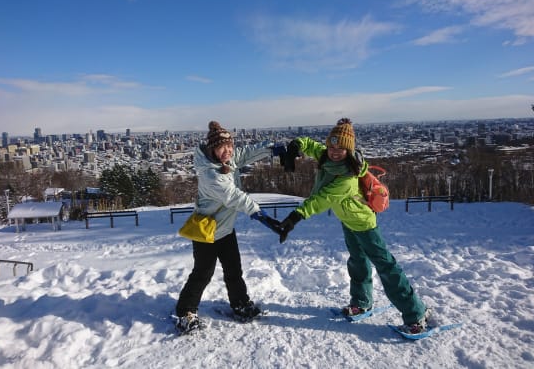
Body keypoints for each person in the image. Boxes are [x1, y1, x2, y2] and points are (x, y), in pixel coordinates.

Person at [278, 118, 431, 334]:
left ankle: (416, 313)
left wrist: (293, 218)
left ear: (349, 150)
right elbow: (311, 145)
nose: (335, 151)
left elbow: (321, 199)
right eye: (332, 146)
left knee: (386, 266)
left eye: (341, 148)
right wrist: (296, 145)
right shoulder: (326, 155)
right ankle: (362, 302)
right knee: (357, 262)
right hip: (348, 222)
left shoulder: (348, 177)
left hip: (364, 224)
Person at [175, 121, 284, 333]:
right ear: (212, 149)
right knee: (203, 273)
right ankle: (185, 311)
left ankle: (240, 303)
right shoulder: (210, 174)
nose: (228, 151)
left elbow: (245, 153)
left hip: (225, 229)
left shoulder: (226, 159)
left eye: (230, 146)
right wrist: (259, 214)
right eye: (223, 147)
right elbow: (234, 196)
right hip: (206, 233)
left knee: (234, 269)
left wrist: (271, 148)